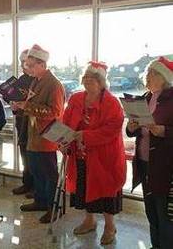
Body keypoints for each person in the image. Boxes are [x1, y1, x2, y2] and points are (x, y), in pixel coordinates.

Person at [62, 61, 126, 245]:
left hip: (105, 157)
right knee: (83, 188)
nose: (88, 82)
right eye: (86, 78)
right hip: (80, 154)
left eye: (92, 79)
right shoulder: (75, 99)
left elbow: (112, 129)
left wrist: (85, 135)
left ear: (101, 82)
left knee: (106, 191)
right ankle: (89, 220)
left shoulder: (112, 103)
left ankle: (109, 226)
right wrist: (63, 139)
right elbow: (66, 122)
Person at [14, 44, 65, 223]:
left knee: (49, 174)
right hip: (33, 135)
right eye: (27, 65)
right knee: (36, 171)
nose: (27, 68)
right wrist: (21, 106)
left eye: (31, 65)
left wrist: (27, 106)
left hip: (47, 137)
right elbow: (32, 106)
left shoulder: (54, 84)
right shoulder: (36, 81)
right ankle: (40, 201)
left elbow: (55, 112)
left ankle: (53, 207)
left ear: (42, 64)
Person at [126, 56, 173, 249]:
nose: (148, 76)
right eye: (147, 73)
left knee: (165, 213)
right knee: (151, 210)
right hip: (144, 162)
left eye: (153, 73)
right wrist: (132, 126)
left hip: (165, 165)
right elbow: (132, 132)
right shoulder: (145, 98)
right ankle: (156, 245)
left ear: (165, 77)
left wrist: (163, 130)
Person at [11, 49, 34, 197]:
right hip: (21, 120)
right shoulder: (20, 80)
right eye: (20, 63)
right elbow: (14, 99)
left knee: (33, 156)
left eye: (24, 62)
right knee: (24, 153)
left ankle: (36, 187)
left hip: (32, 123)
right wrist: (14, 105)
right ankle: (27, 183)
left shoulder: (37, 80)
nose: (22, 65)